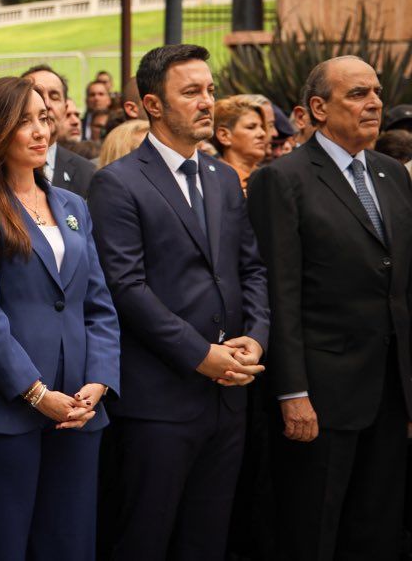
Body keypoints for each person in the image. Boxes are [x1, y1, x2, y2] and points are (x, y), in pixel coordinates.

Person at [87, 44, 270, 561]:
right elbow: (126, 288)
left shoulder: (222, 178)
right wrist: (200, 354)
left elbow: (251, 269)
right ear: (153, 104)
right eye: (191, 92)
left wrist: (256, 339)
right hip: (158, 402)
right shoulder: (117, 183)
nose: (207, 101)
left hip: (229, 397)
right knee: (144, 540)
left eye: (209, 90)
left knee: (207, 541)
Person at [0, 77, 120, 561]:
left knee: (69, 542)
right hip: (3, 411)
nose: (42, 130)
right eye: (25, 121)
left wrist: (99, 380)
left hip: (79, 410)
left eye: (44, 117)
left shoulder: (73, 205)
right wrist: (36, 393)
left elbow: (98, 304)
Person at [247, 56, 412, 561]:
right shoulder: (284, 179)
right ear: (318, 108)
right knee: (313, 531)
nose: (375, 103)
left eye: (377, 92)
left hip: (391, 391)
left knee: (379, 532)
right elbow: (280, 293)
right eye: (358, 94)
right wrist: (292, 391)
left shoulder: (391, 174)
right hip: (320, 396)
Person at [21, 65, 96, 196]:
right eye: (36, 95)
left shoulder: (87, 173)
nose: (46, 104)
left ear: (65, 108)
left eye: (54, 96)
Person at [212, 96, 268, 194]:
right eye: (251, 127)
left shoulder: (270, 176)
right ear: (224, 136)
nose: (262, 133)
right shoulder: (212, 182)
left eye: (262, 127)